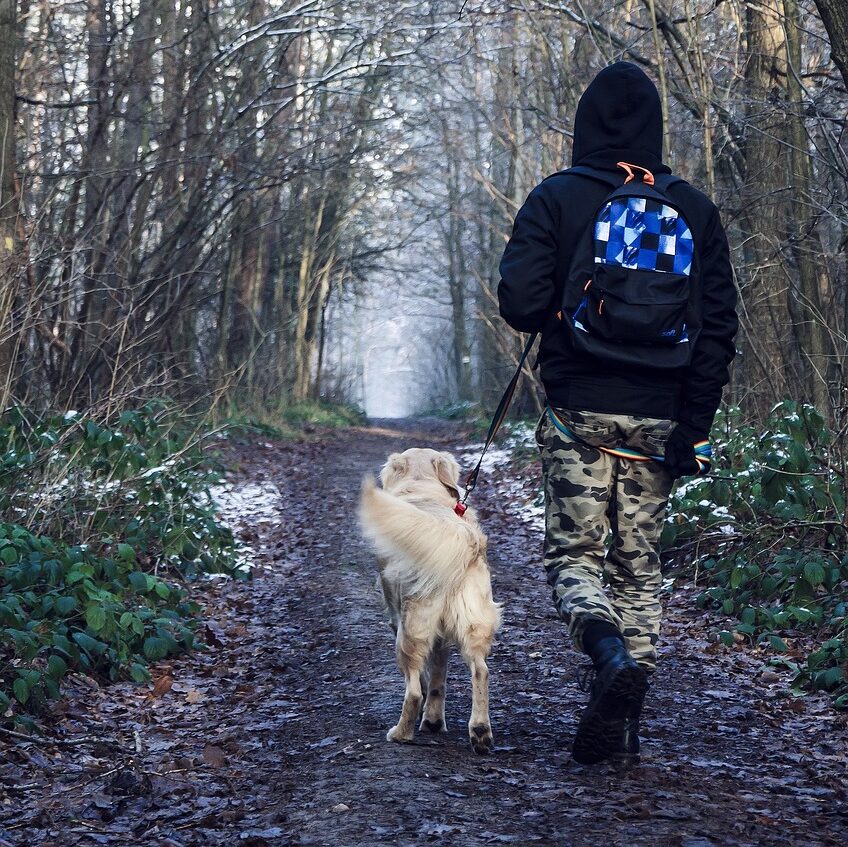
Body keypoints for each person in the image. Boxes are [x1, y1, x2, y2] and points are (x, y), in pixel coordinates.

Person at [497, 62, 738, 765]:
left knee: (574, 554)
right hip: (660, 417)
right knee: (639, 566)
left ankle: (606, 657)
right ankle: (627, 720)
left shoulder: (558, 197)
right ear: (656, 127)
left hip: (577, 410)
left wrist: (561, 312)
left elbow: (517, 303)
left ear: (585, 124)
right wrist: (694, 427)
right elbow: (718, 329)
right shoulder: (692, 208)